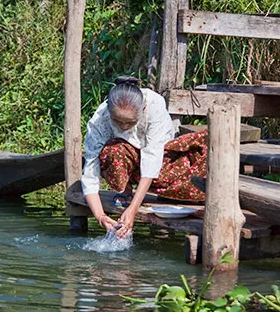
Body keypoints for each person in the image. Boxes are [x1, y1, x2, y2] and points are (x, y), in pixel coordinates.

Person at [82, 76, 207, 237]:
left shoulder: (154, 105)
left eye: (130, 122)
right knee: (112, 151)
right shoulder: (100, 120)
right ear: (108, 110)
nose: (124, 126)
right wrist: (101, 216)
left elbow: (151, 159)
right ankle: (125, 192)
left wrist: (133, 209)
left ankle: (150, 194)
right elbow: (90, 173)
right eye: (118, 121)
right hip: (128, 162)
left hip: (160, 163)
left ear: (144, 108)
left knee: (203, 147)